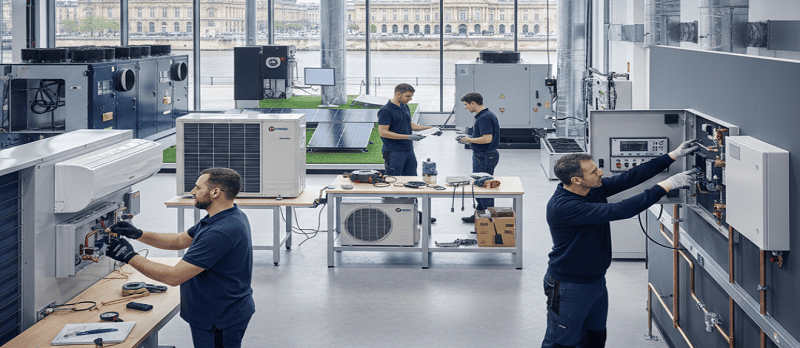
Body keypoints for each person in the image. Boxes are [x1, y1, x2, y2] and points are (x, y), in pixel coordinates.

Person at [541, 140, 699, 348]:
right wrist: (667, 185)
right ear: (576, 179)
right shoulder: (564, 206)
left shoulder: (591, 190)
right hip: (570, 286)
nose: (600, 173)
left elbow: (630, 177)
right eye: (593, 171)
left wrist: (672, 155)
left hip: (595, 281)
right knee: (561, 342)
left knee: (595, 338)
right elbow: (621, 210)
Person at [106, 168, 255, 348]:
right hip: (218, 309)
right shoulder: (224, 216)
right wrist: (138, 234)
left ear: (215, 192)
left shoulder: (220, 231)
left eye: (197, 188)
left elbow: (173, 276)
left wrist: (128, 255)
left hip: (219, 317)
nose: (192, 192)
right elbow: (179, 240)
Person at [455, 92, 500, 223]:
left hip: (484, 156)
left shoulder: (483, 118)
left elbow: (487, 139)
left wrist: (468, 140)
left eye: (466, 105)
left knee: (484, 187)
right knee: (481, 186)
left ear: (473, 103)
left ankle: (486, 221)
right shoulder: (487, 115)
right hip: (485, 155)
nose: (465, 107)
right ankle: (480, 215)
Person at [378, 83, 435, 176]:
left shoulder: (404, 106)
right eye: (408, 96)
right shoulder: (386, 110)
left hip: (408, 150)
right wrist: (408, 137)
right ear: (398, 94)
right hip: (394, 152)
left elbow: (411, 125)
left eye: (411, 96)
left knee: (412, 178)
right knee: (393, 179)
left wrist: (431, 128)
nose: (410, 99)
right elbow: (383, 132)